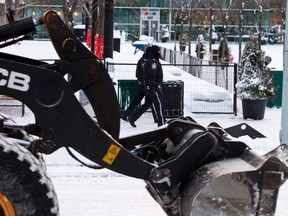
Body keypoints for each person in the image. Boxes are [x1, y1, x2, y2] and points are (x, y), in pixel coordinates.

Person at [127, 45, 165, 127]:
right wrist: (154, 87)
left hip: (150, 86)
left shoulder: (150, 61)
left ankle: (133, 117)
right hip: (153, 86)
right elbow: (151, 76)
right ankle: (161, 123)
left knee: (147, 104)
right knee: (159, 104)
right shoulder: (153, 62)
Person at [121, 47, 157, 122]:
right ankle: (156, 118)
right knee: (151, 100)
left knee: (137, 101)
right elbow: (144, 73)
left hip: (141, 83)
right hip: (145, 84)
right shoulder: (145, 61)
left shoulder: (143, 60)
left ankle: (127, 114)